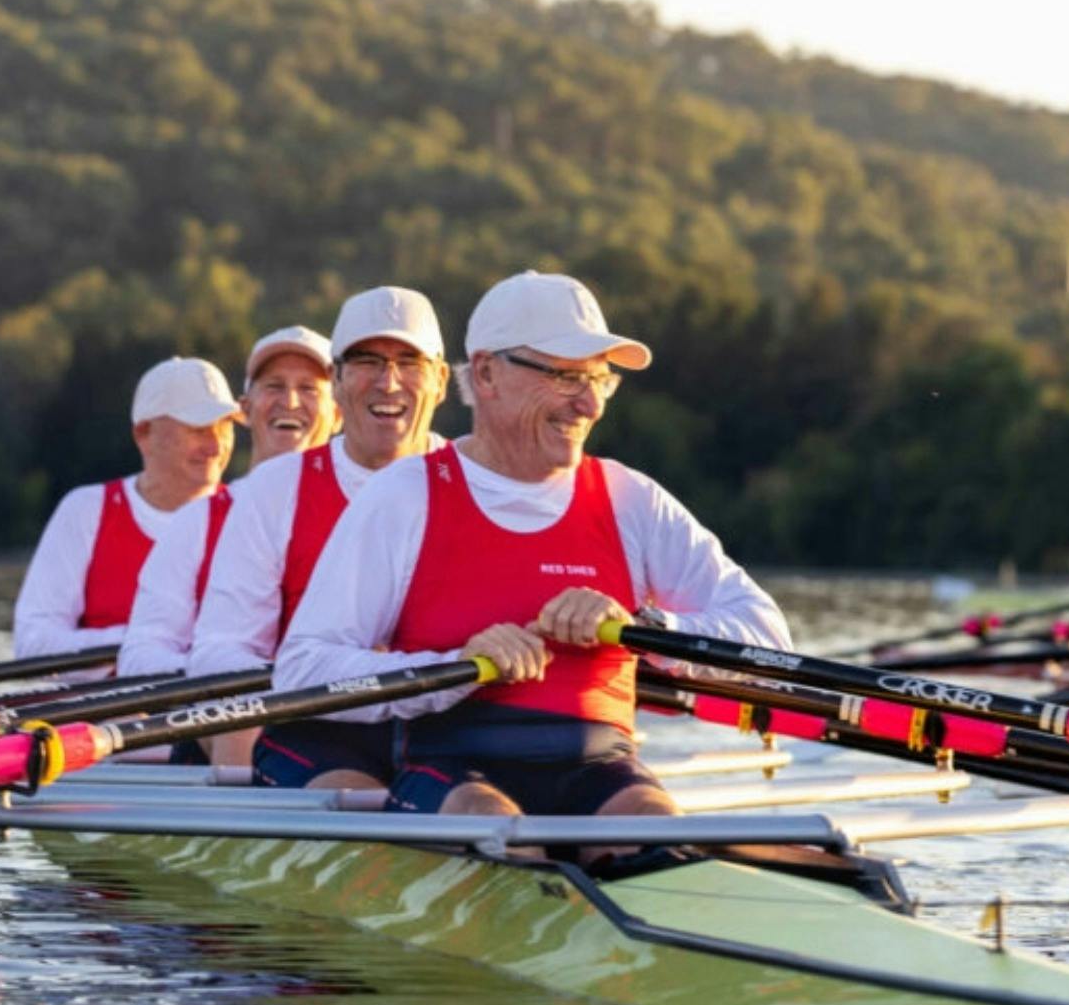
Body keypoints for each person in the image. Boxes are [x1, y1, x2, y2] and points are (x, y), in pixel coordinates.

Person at [276, 270, 791, 826]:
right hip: (454, 771)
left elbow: (766, 639)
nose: (589, 404)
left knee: (651, 821)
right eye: (566, 377)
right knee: (491, 821)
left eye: (600, 379)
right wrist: (458, 667)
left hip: (602, 768)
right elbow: (304, 670)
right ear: (488, 373)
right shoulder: (406, 496)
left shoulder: (631, 499)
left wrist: (647, 625)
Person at [187, 287, 450, 789]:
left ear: (439, 380)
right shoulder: (276, 487)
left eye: (408, 363)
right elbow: (220, 649)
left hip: (445, 726)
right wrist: (327, 662)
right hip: (320, 724)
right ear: (337, 380)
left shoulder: (475, 479)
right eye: (367, 361)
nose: (388, 382)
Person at [115, 326, 338, 681]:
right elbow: (141, 654)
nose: (291, 402)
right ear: (246, 410)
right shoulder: (197, 522)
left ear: (339, 414)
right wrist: (218, 668)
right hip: (233, 720)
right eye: (275, 386)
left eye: (309, 389)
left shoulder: (369, 510)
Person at [12, 357, 239, 665]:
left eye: (224, 426)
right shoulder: (86, 510)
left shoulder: (247, 514)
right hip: (98, 709)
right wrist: (145, 642)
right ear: (143, 434)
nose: (215, 446)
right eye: (198, 428)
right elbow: (33, 642)